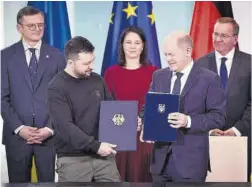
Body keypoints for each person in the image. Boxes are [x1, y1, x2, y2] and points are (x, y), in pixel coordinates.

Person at [140, 31, 226, 182]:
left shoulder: (209, 79)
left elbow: (218, 117)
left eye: (172, 54)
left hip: (191, 165)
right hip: (159, 163)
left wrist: (188, 121)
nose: (168, 59)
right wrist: (145, 123)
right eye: (165, 54)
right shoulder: (158, 76)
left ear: (188, 51)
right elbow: (148, 107)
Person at [1, 6, 66, 183]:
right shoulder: (4, 57)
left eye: (41, 25)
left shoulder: (57, 56)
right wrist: (20, 128)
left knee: (47, 183)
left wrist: (49, 128)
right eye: (32, 26)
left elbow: (63, 99)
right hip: (17, 137)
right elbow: (2, 98)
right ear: (19, 28)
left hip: (48, 136)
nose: (37, 30)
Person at [47, 36, 121, 182]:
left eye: (92, 60)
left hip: (103, 157)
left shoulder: (97, 80)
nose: (91, 66)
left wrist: (130, 123)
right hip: (72, 160)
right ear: (70, 62)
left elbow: (112, 111)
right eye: (86, 63)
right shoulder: (56, 87)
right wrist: (95, 146)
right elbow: (65, 127)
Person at [197, 17, 251, 181]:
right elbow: (195, 104)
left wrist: (236, 130)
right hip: (207, 141)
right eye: (215, 34)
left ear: (235, 39)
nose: (218, 39)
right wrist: (209, 128)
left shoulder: (249, 64)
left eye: (224, 36)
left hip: (242, 139)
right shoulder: (199, 65)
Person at [104, 26, 157, 182]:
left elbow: (158, 106)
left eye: (137, 42)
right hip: (119, 139)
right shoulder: (111, 73)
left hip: (145, 139)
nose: (132, 46)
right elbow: (106, 107)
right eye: (128, 42)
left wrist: (144, 121)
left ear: (143, 46)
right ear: (122, 45)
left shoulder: (155, 73)